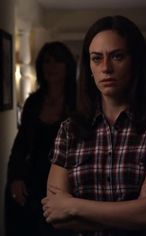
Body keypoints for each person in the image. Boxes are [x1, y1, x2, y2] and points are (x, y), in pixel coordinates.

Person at [41, 15, 146, 236]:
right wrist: (135, 209)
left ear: (135, 61)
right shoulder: (70, 130)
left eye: (117, 56)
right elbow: (56, 216)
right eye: (97, 58)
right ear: (89, 66)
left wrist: (74, 205)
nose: (106, 68)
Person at [5, 41, 77, 236]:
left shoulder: (78, 101)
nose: (51, 67)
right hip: (33, 177)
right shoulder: (34, 102)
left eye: (57, 61)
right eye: (46, 61)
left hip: (65, 179)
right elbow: (21, 144)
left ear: (67, 66)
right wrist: (16, 177)